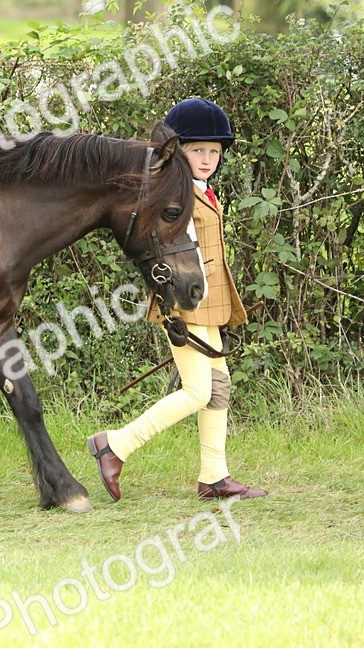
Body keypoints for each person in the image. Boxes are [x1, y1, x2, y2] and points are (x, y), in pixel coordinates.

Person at [88, 98, 267, 502]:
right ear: (178, 152)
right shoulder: (174, 193)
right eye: (197, 150)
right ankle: (115, 444)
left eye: (214, 152)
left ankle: (214, 476)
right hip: (185, 300)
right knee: (197, 391)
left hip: (212, 298)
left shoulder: (204, 189)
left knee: (219, 385)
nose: (207, 159)